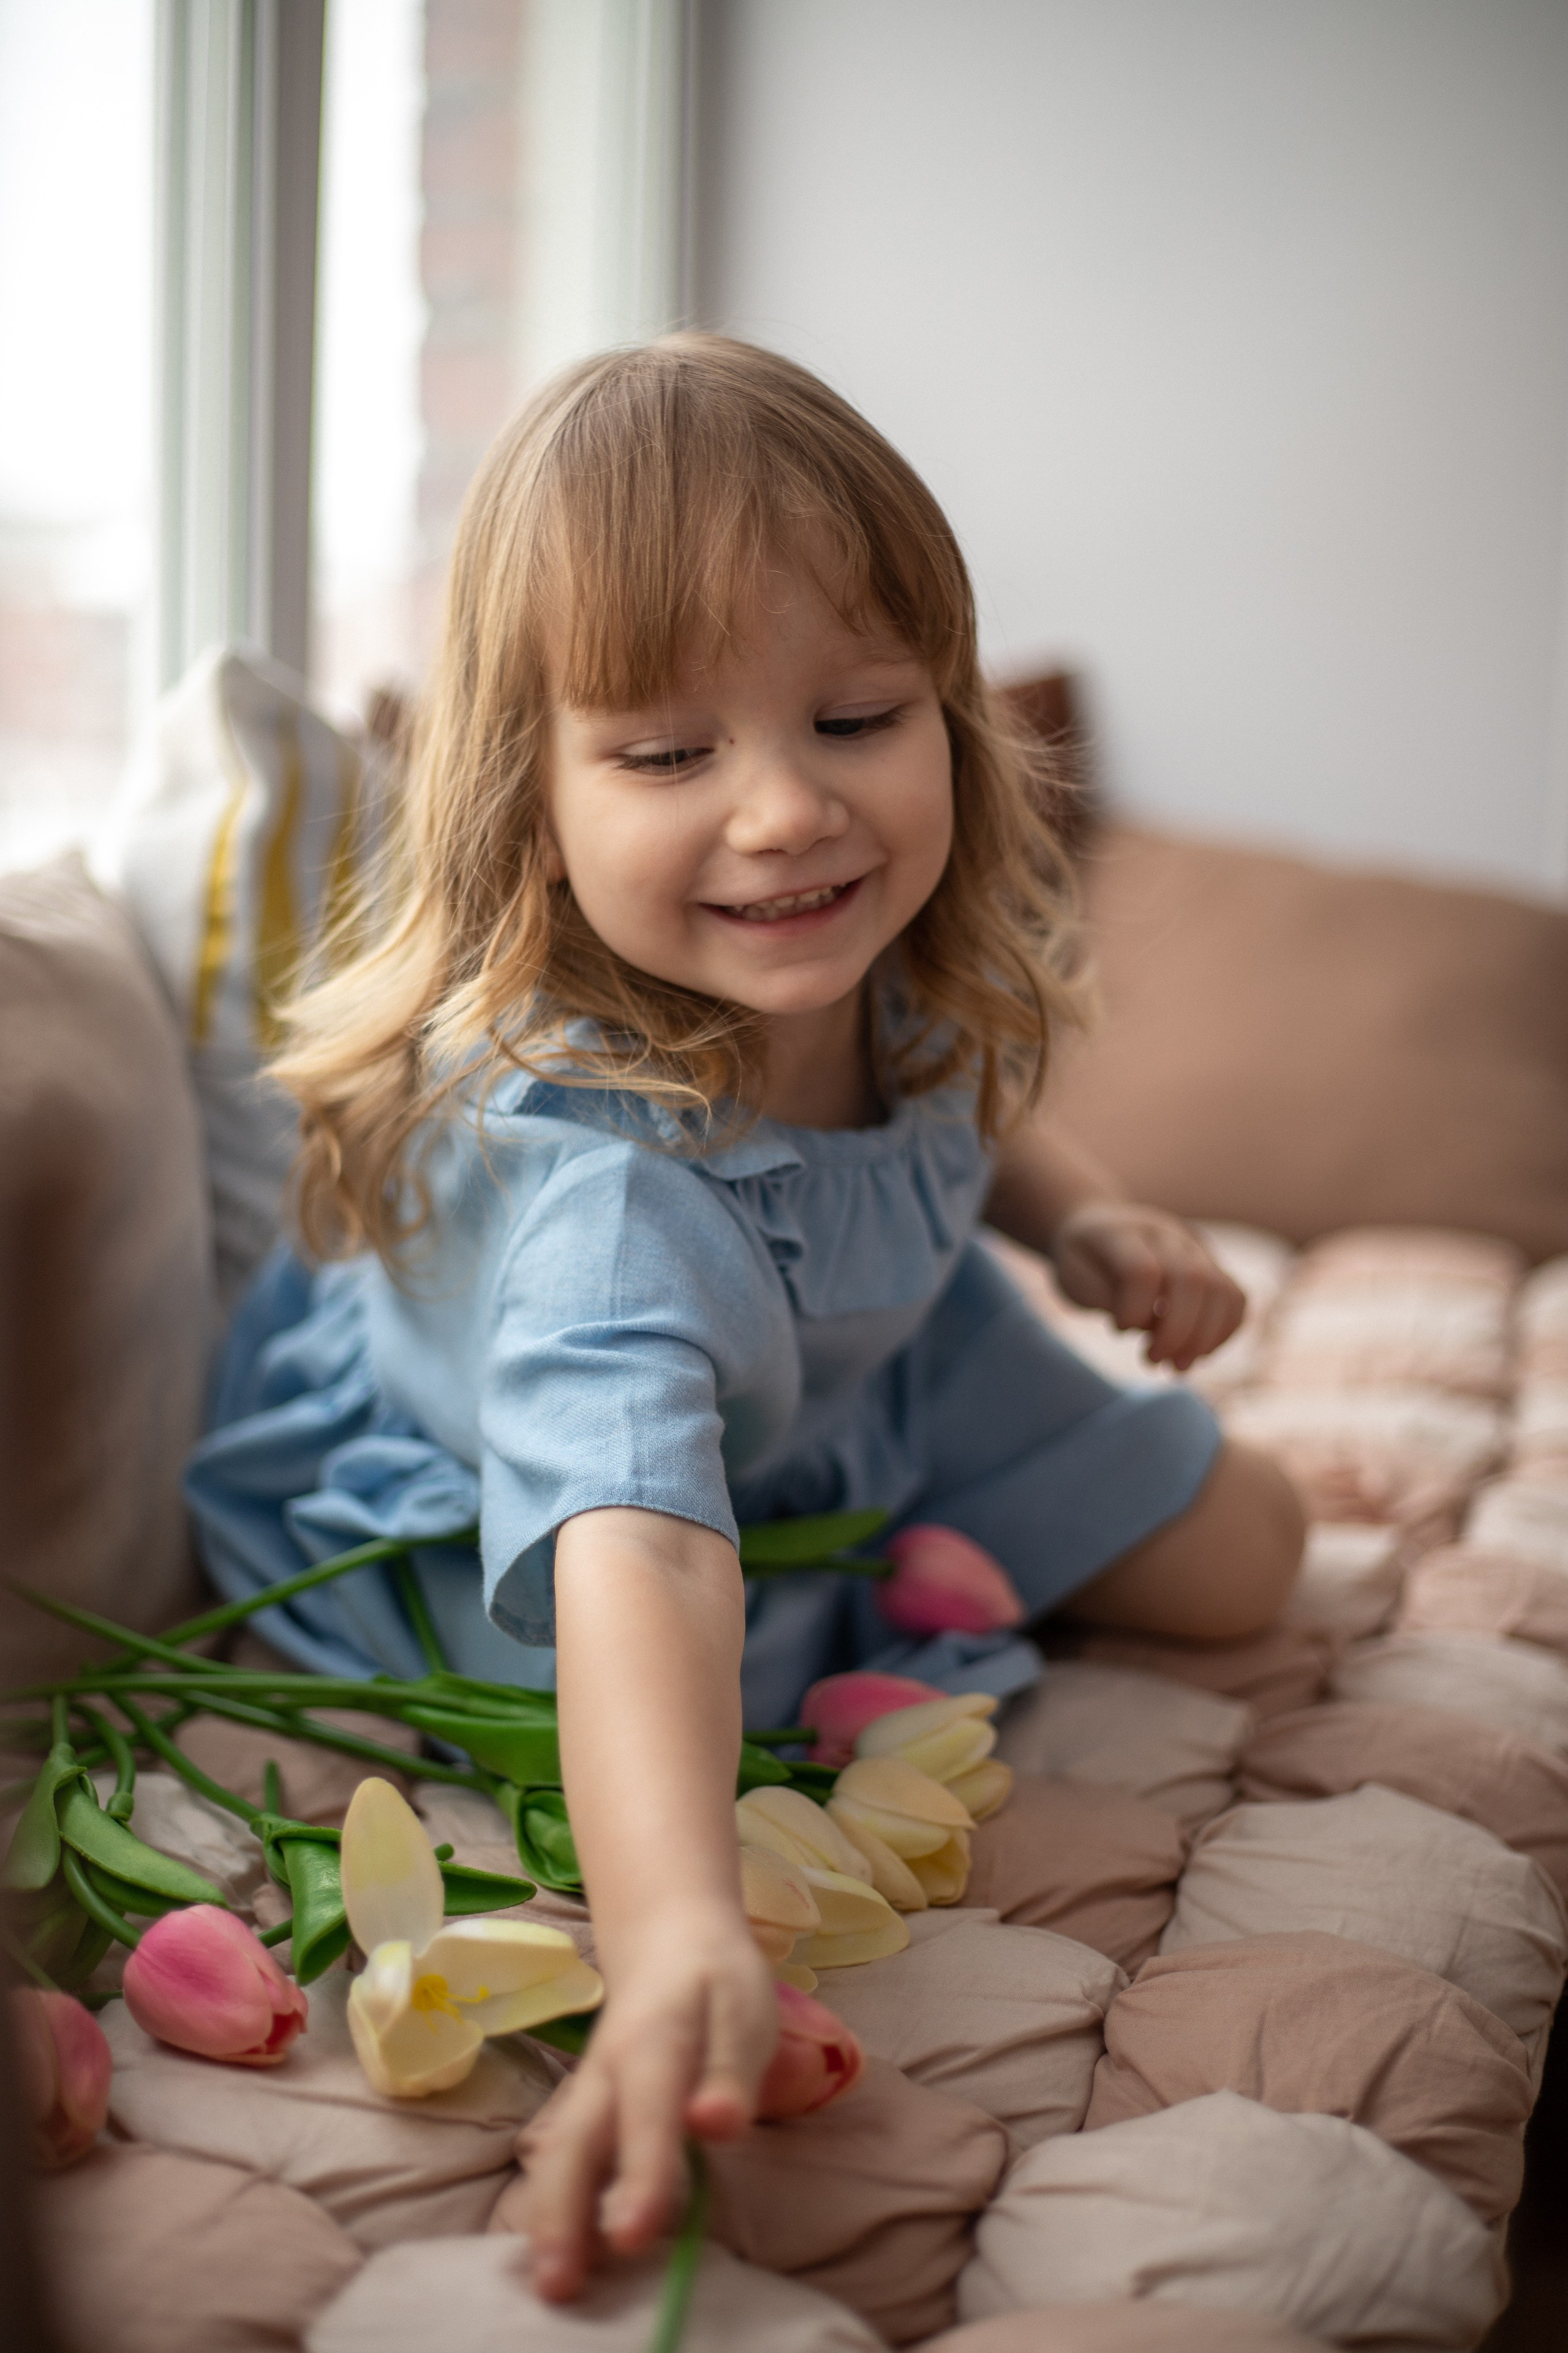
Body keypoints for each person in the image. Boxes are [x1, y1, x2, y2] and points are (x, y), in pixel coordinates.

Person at [186, 335, 1303, 2300]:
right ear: (527, 799)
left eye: (856, 714)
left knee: (1252, 1559)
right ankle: (872, 1586)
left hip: (884, 1346)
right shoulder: (604, 1208)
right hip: (581, 1489)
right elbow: (641, 1555)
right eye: (670, 752)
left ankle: (908, 1544)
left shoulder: (873, 941)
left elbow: (957, 1099)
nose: (788, 810)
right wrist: (681, 1924)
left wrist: (1095, 1218)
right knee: (681, 1662)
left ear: (948, 712)